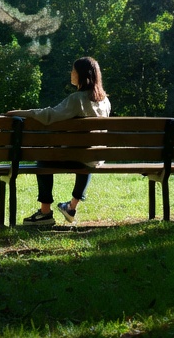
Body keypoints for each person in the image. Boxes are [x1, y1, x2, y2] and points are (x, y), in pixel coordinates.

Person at [6, 56, 110, 228]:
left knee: (44, 159)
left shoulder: (77, 99)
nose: (71, 73)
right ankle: (71, 207)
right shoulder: (105, 101)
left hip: (77, 155)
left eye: (73, 70)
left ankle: (45, 213)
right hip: (94, 157)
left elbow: (49, 116)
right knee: (88, 156)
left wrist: (21, 112)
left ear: (82, 75)